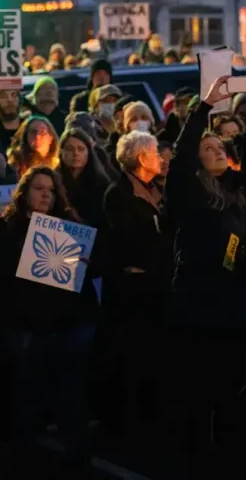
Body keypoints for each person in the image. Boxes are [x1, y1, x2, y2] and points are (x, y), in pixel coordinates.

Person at [165, 78, 246, 478]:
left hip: (237, 301)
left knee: (235, 390)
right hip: (199, 302)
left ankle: (236, 460)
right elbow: (179, 159)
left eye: (220, 147)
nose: (217, 151)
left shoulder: (238, 187)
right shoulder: (186, 191)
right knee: (199, 392)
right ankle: (196, 462)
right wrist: (203, 109)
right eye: (208, 149)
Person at [0, 166, 101, 475]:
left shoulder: (70, 225)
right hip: (27, 331)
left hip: (70, 329)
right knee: (27, 402)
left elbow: (96, 267)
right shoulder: (6, 229)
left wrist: (86, 258)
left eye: (50, 189)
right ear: (24, 193)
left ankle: (77, 465)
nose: (46, 194)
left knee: (71, 401)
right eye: (38, 188)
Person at [101, 131, 170, 452]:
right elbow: (132, 243)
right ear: (141, 158)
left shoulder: (157, 190)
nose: (161, 157)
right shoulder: (119, 194)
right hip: (133, 293)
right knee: (133, 359)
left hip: (155, 287)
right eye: (156, 152)